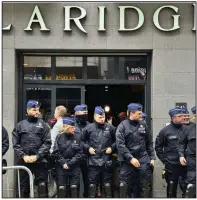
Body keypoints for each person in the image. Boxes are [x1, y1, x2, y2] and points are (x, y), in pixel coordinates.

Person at [12, 100, 51, 198]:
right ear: (28, 110)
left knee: (42, 188)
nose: (37, 112)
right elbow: (15, 144)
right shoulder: (20, 125)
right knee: (24, 189)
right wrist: (23, 156)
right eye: (34, 110)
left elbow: (47, 143)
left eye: (38, 110)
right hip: (24, 161)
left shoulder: (44, 125)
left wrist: (37, 156)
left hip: (40, 162)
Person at [116, 103, 155, 198]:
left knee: (145, 186)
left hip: (142, 159)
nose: (141, 115)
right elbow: (120, 145)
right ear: (131, 113)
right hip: (127, 161)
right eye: (139, 113)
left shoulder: (143, 125)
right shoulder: (122, 126)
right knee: (124, 187)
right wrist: (131, 158)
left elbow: (149, 142)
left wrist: (152, 157)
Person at [82, 106, 116, 198]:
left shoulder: (111, 128)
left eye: (103, 117)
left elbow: (118, 141)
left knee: (107, 186)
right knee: (92, 186)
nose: (102, 119)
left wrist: (112, 148)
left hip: (106, 160)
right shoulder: (88, 128)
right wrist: (88, 148)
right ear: (94, 117)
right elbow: (81, 141)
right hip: (93, 161)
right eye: (100, 117)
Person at [155, 107, 187, 198]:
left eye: (183, 115)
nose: (182, 117)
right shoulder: (165, 131)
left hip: (186, 164)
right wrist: (165, 161)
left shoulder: (187, 129)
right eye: (180, 116)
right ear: (173, 118)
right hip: (171, 165)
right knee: (171, 189)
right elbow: (158, 147)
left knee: (187, 188)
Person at [52, 117, 83, 198]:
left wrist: (70, 163)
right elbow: (56, 152)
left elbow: (80, 153)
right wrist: (63, 163)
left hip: (74, 166)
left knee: (74, 189)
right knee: (62, 189)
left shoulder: (78, 137)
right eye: (72, 127)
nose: (74, 128)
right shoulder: (59, 137)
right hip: (61, 167)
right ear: (66, 127)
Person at [178, 106, 196, 198]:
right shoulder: (187, 129)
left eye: (194, 115)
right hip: (190, 160)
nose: (193, 117)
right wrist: (181, 155)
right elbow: (181, 143)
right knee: (190, 184)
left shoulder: (193, 126)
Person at [74, 104, 90, 197]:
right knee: (75, 181)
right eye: (83, 113)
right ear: (77, 113)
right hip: (75, 156)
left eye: (86, 113)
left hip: (86, 156)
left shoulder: (89, 125)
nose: (85, 115)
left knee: (87, 180)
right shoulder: (71, 125)